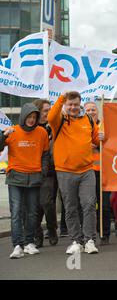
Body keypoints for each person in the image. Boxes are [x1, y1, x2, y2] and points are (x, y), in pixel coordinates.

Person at [48, 92, 103, 254]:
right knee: (71, 208)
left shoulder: (88, 120)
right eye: (69, 104)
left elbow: (96, 140)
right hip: (65, 172)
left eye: (75, 104)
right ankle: (75, 241)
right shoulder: (59, 121)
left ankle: (90, 240)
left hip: (87, 170)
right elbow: (51, 117)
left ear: (80, 104)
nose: (73, 107)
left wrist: (102, 137)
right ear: (65, 105)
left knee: (89, 205)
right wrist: (60, 99)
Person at [0, 103, 49, 259]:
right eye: (29, 117)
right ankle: (17, 245)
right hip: (15, 177)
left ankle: (29, 243)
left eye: (34, 117)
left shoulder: (41, 132)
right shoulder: (13, 131)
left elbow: (46, 154)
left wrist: (43, 172)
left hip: (34, 177)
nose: (31, 120)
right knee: (16, 213)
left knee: (33, 213)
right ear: (23, 116)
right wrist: (3, 135)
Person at [84, 101, 112, 245]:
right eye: (88, 109)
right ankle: (89, 233)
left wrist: (102, 143)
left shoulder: (104, 127)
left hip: (102, 171)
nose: (91, 111)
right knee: (88, 204)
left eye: (93, 109)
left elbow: (112, 147)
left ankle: (104, 233)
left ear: (98, 111)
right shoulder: (81, 127)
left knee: (104, 204)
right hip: (85, 172)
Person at [32, 99, 59, 247]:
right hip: (32, 170)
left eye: (50, 110)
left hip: (50, 171)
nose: (48, 113)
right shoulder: (31, 127)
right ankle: (37, 234)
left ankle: (51, 228)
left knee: (47, 202)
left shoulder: (53, 127)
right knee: (34, 206)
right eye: (45, 110)